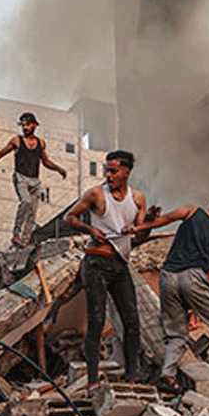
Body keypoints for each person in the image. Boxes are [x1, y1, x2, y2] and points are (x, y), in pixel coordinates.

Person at [128, 196, 209, 384]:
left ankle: (168, 373)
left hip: (168, 276)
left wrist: (136, 228)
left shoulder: (189, 210)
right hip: (194, 277)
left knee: (176, 334)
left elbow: (163, 220)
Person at [65, 150, 146, 385]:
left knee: (132, 322)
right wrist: (90, 230)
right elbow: (69, 218)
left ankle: (132, 377)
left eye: (113, 171)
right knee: (96, 320)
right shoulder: (96, 195)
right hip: (96, 263)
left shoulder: (138, 199)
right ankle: (92, 380)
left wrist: (147, 224)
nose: (108, 175)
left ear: (127, 172)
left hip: (121, 265)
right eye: (106, 170)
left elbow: (139, 238)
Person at [0, 112, 68, 248]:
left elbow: (45, 161)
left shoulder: (41, 143)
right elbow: (0, 154)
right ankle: (16, 233)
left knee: (32, 213)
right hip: (21, 178)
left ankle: (24, 241)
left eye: (28, 124)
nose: (25, 128)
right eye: (23, 125)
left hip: (35, 181)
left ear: (34, 125)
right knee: (26, 201)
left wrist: (59, 169)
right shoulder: (17, 141)